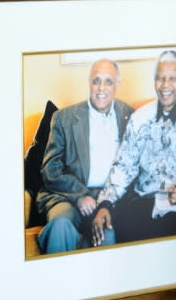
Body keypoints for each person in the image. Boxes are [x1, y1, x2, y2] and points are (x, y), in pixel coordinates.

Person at [91, 49, 176, 244]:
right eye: (160, 79)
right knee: (122, 228)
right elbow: (124, 167)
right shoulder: (139, 119)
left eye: (172, 79)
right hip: (143, 201)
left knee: (164, 234)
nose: (165, 86)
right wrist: (105, 204)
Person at [36, 59, 134, 254]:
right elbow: (50, 169)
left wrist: (106, 202)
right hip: (67, 197)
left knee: (108, 234)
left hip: (107, 199)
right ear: (89, 82)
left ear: (117, 86)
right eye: (96, 80)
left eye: (108, 81)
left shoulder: (129, 115)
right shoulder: (64, 118)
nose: (101, 88)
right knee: (60, 225)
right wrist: (81, 195)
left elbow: (133, 166)